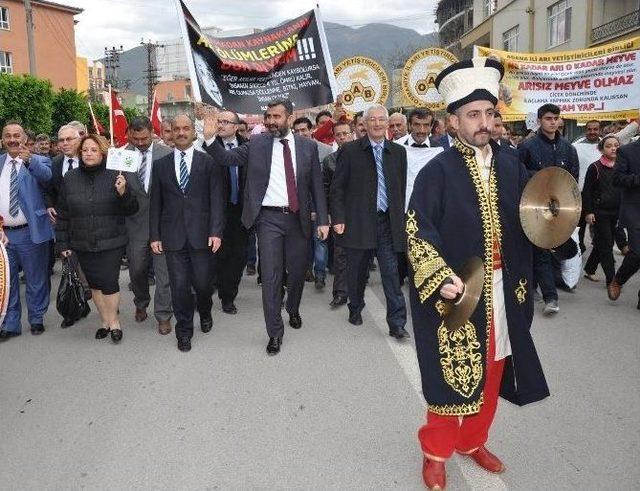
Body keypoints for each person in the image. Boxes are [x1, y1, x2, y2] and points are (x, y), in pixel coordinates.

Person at [409, 57, 549, 490]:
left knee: (495, 367)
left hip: (509, 287)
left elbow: (534, 213)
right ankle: (436, 453)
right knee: (452, 374)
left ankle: (474, 440)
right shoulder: (437, 172)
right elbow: (416, 230)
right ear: (453, 122)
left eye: (490, 113)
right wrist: (439, 277)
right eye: (473, 115)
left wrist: (555, 217)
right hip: (459, 291)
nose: (484, 122)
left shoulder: (511, 164)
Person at [204, 98, 329, 356]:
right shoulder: (256, 144)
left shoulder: (307, 147)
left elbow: (317, 184)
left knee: (296, 273)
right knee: (271, 276)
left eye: (276, 117)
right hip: (268, 220)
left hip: (298, 218)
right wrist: (208, 139)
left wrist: (324, 220)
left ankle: (292, 307)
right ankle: (274, 332)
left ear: (290, 119)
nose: (271, 121)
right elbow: (226, 158)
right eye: (268, 117)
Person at [330, 104, 409, 339]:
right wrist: (339, 218)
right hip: (359, 222)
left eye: (381, 120)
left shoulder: (398, 153)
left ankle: (397, 323)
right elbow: (337, 189)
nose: (377, 124)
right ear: (363, 124)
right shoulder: (351, 151)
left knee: (391, 274)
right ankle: (355, 307)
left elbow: (400, 189)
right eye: (372, 120)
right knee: (356, 272)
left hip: (387, 223)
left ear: (387, 124)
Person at [149, 114, 224, 352]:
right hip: (172, 237)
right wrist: (155, 236)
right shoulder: (160, 165)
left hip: (202, 235)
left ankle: (205, 310)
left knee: (202, 285)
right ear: (170, 133)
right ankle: (184, 331)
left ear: (194, 131)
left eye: (186, 128)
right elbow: (155, 204)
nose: (181, 133)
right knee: (179, 286)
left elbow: (216, 200)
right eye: (176, 129)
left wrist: (216, 231)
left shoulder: (208, 162)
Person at [56, 135, 139, 343]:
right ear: (80, 153)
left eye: (93, 150)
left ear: (102, 152)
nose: (89, 154)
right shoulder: (70, 178)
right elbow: (63, 213)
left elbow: (132, 209)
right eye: (85, 150)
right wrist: (63, 243)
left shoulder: (116, 175)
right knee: (94, 285)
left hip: (111, 241)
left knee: (109, 282)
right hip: (82, 241)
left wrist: (124, 193)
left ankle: (114, 323)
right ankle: (104, 321)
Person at [518, 103, 579, 315]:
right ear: (539, 121)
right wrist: (542, 177)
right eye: (548, 119)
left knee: (549, 249)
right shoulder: (527, 147)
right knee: (541, 251)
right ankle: (551, 297)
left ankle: (536, 286)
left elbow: (572, 181)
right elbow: (518, 175)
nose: (552, 122)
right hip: (533, 208)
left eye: (555, 119)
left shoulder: (568, 149)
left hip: (558, 210)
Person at [0, 121, 54, 342]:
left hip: (30, 232)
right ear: (3, 140)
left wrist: (29, 160)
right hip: (4, 234)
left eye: (16, 135)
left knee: (35, 278)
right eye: (8, 136)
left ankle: (36, 318)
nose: (13, 140)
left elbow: (48, 179)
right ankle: (10, 323)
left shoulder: (39, 160)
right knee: (8, 280)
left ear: (24, 139)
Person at [124, 117, 174, 334]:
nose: (141, 143)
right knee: (137, 270)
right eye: (136, 139)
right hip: (134, 225)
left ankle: (163, 315)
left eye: (144, 138)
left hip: (163, 226)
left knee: (164, 274)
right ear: (129, 135)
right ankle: (141, 301)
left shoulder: (167, 154)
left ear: (153, 133)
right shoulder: (121, 155)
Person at [202, 110, 249, 314]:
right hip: (215, 210)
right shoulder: (205, 146)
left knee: (238, 257)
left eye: (225, 121)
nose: (220, 125)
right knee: (216, 254)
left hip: (242, 210)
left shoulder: (249, 146)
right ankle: (214, 291)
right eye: (218, 121)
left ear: (236, 126)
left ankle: (229, 294)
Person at [582, 135, 622, 285]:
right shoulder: (595, 167)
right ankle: (612, 280)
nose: (613, 148)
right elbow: (587, 191)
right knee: (606, 244)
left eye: (616, 145)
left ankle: (590, 268)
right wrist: (588, 212)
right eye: (609, 146)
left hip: (618, 212)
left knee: (601, 242)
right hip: (600, 212)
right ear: (601, 149)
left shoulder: (622, 166)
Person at [322, 121, 354, 307]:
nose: (342, 137)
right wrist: (326, 214)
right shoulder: (329, 161)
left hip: (361, 213)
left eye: (345, 134)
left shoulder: (365, 156)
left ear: (352, 134)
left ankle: (356, 287)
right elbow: (325, 189)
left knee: (361, 255)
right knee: (340, 253)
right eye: (339, 134)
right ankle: (341, 293)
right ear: (335, 137)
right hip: (339, 214)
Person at [608, 136, 640, 309]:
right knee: (637, 253)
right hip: (635, 211)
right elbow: (617, 179)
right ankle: (618, 280)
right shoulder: (626, 151)